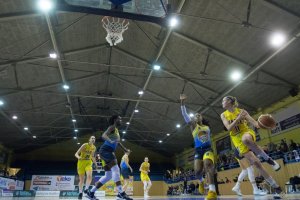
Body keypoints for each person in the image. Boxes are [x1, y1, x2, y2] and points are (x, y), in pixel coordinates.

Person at [220, 96, 284, 198]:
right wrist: (238, 119)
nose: (222, 102)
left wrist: (266, 123)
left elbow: (255, 123)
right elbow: (229, 128)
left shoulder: (242, 111)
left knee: (245, 139)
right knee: (257, 164)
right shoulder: (223, 115)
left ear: (230, 101)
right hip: (236, 139)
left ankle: (269, 160)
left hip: (246, 132)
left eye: (224, 100)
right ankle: (277, 187)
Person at [86, 115, 132, 200]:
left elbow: (117, 143)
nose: (121, 120)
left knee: (108, 176)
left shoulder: (117, 131)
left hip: (108, 152)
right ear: (115, 120)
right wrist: (110, 140)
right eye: (119, 119)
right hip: (105, 151)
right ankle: (121, 193)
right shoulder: (112, 127)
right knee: (116, 170)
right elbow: (104, 135)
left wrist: (125, 149)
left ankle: (91, 192)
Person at [180, 94, 217, 199]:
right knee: (197, 172)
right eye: (195, 115)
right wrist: (182, 102)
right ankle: (200, 182)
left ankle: (212, 192)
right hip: (198, 151)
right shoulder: (192, 126)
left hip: (208, 149)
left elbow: (206, 136)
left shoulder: (206, 127)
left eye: (199, 115)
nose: (197, 116)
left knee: (208, 165)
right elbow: (184, 114)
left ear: (201, 117)